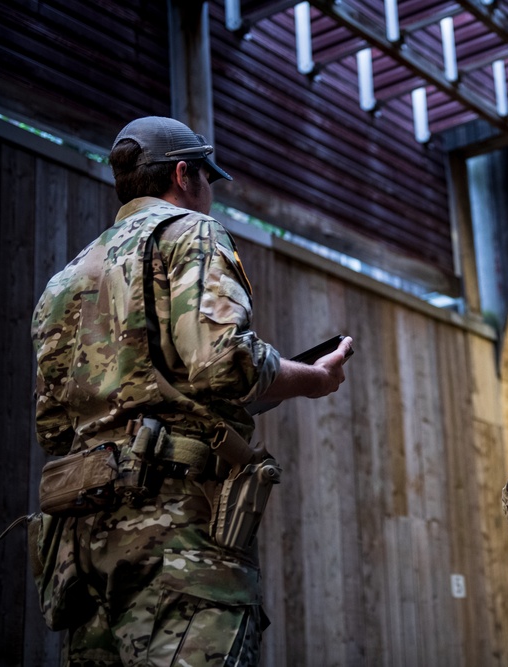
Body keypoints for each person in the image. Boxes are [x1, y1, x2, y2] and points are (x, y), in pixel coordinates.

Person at [29, 116, 353, 666]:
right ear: (184, 174)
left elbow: (53, 427)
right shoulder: (190, 233)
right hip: (177, 533)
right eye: (209, 181)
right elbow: (222, 362)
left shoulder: (63, 281)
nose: (209, 197)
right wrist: (314, 379)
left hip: (81, 541)